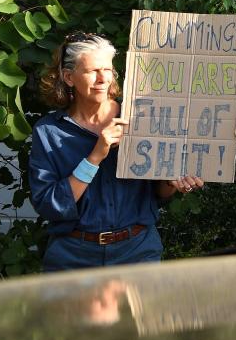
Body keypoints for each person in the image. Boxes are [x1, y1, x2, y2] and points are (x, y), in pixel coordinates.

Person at [29, 32, 204, 271]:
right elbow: (50, 205)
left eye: (107, 70)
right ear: (69, 77)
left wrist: (172, 182)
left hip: (137, 250)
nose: (103, 79)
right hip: (73, 255)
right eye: (92, 71)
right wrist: (96, 155)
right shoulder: (49, 132)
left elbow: (158, 193)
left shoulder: (141, 117)